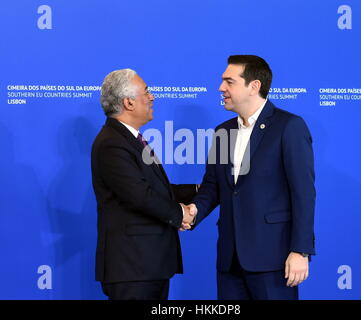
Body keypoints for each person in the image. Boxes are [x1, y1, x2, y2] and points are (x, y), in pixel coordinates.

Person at [185, 55, 316, 300]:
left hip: (274, 259)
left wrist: (300, 250)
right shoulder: (222, 132)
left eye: (229, 82)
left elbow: (304, 194)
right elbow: (213, 186)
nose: (220, 88)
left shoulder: (289, 127)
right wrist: (193, 211)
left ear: (254, 86)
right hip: (229, 259)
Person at [91, 68, 197, 300]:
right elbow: (139, 195)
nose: (152, 97)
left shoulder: (128, 139)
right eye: (147, 92)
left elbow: (158, 191)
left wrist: (202, 191)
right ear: (128, 102)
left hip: (147, 265)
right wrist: (180, 214)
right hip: (132, 268)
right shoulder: (112, 143)